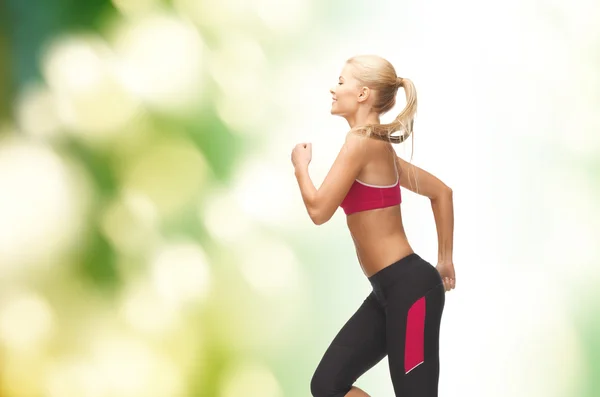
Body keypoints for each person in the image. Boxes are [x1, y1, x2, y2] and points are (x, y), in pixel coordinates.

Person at [291, 55, 456, 397]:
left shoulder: (361, 143)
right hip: (388, 292)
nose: (333, 89)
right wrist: (443, 259)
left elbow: (319, 210)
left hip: (411, 291)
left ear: (363, 93)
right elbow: (441, 192)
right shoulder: (378, 149)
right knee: (327, 384)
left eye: (341, 81)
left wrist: (301, 167)